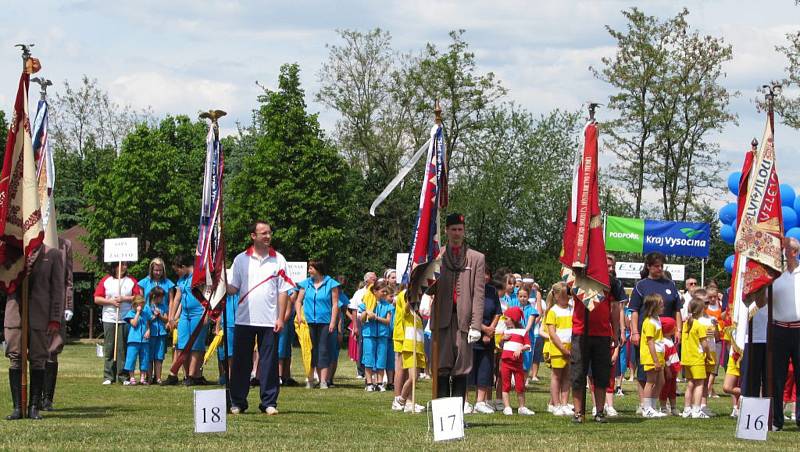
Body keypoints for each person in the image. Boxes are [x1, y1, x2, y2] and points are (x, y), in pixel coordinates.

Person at [227, 220, 291, 415]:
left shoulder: (278, 259)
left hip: (269, 320)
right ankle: (238, 402)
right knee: (241, 363)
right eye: (263, 233)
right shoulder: (240, 259)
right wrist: (219, 280)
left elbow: (283, 291)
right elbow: (233, 289)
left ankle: (269, 402)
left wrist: (280, 318)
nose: (268, 236)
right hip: (244, 319)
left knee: (269, 363)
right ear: (253, 236)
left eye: (269, 232)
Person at [4, 245, 65, 420]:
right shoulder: (10, 252)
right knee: (15, 357)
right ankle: (17, 407)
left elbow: (58, 289)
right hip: (15, 313)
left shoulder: (52, 254)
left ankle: (34, 407)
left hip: (40, 316)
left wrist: (55, 318)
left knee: (38, 359)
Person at [433, 213, 485, 401]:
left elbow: (479, 295)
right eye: (453, 229)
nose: (457, 233)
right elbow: (429, 288)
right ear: (446, 231)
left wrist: (476, 325)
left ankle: (457, 416)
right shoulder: (437, 255)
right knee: (441, 368)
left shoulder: (476, 258)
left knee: (462, 369)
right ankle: (442, 419)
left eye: (460, 230)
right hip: (442, 320)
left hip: (464, 322)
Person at [571, 254, 623, 423]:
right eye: (606, 265)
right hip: (580, 332)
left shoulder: (612, 283)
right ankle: (578, 412)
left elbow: (615, 309)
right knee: (578, 373)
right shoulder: (580, 279)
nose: (609, 268)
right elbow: (567, 289)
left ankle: (599, 412)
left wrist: (616, 333)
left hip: (602, 334)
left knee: (602, 375)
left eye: (611, 266)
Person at [629, 252, 683, 414]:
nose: (660, 269)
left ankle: (654, 405)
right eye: (656, 266)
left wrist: (678, 329)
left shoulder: (670, 284)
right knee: (646, 371)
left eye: (662, 266)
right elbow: (634, 311)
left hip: (666, 336)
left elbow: (677, 309)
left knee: (665, 372)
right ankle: (643, 404)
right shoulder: (641, 285)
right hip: (647, 335)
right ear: (649, 267)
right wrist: (634, 332)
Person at [769, 236, 800, 430]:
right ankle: (777, 420)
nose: (781, 252)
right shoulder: (774, 274)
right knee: (777, 376)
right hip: (778, 329)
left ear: (794, 252)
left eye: (784, 249)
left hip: (799, 329)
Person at [294, 259, 340, 389]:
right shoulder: (305, 284)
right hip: (308, 322)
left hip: (325, 322)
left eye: (311, 268)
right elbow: (298, 301)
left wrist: (333, 322)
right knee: (309, 350)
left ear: (318, 269)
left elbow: (335, 304)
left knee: (323, 350)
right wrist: (298, 315)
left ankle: (323, 381)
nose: (309, 271)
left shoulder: (331, 284)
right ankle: (310, 380)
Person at [164, 254, 209, 386]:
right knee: (181, 344)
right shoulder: (182, 280)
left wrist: (206, 315)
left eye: (177, 270)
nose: (176, 273)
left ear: (183, 267)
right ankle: (175, 375)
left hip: (198, 313)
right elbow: (177, 298)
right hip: (185, 315)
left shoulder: (198, 277)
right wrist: (171, 317)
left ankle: (192, 375)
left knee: (195, 345)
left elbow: (207, 296)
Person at [94, 261, 141, 385]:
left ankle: (123, 376)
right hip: (109, 318)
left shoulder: (131, 281)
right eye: (122, 265)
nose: (124, 267)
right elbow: (97, 298)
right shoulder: (106, 280)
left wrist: (124, 298)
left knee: (123, 348)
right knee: (109, 347)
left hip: (126, 318)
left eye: (125, 265)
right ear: (115, 266)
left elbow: (138, 297)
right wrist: (111, 302)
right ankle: (108, 376)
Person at [41, 237, 73, 411]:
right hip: (36, 302)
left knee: (53, 350)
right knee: (37, 351)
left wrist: (68, 305)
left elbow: (68, 279)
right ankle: (35, 398)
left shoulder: (64, 245)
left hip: (56, 304)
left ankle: (47, 399)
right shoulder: (31, 239)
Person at [468, 268, 501, 414]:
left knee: (485, 368)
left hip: (488, 337)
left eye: (488, 274)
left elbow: (498, 312)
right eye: (482, 274)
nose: (485, 277)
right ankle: (465, 402)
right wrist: (483, 329)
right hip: (471, 334)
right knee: (468, 370)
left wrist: (491, 329)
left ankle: (480, 401)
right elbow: (467, 313)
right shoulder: (469, 290)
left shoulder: (492, 291)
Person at [137, 257, 175, 383]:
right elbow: (140, 301)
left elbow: (171, 302)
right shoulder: (144, 282)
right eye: (155, 270)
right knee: (148, 352)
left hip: (162, 321)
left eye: (160, 270)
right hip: (149, 322)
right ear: (151, 270)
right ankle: (148, 376)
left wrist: (170, 319)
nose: (158, 273)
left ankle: (158, 377)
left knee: (159, 353)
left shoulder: (168, 283)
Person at [393, 282, 427, 413]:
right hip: (409, 346)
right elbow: (405, 309)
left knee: (415, 377)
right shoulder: (408, 312)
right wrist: (410, 299)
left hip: (417, 348)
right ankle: (400, 400)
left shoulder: (417, 316)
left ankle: (405, 401)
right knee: (412, 377)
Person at [499, 307, 535, 416]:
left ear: (513, 319)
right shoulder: (506, 332)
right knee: (506, 385)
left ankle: (522, 407)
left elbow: (528, 345)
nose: (505, 320)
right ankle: (507, 407)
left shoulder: (522, 332)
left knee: (520, 385)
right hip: (505, 362)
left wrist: (520, 349)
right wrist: (502, 339)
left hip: (518, 363)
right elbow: (500, 345)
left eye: (507, 318)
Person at [359, 281, 394, 391]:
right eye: (382, 291)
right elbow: (362, 320)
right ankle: (369, 383)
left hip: (383, 335)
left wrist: (376, 317)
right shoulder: (366, 303)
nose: (384, 294)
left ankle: (379, 383)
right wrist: (366, 312)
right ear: (375, 291)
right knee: (368, 358)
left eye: (385, 292)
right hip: (369, 334)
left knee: (381, 359)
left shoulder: (388, 306)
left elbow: (388, 321)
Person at [680, 297, 712, 419]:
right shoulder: (699, 325)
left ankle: (686, 409)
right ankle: (697, 409)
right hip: (697, 358)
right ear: (701, 310)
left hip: (687, 358)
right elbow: (704, 344)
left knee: (690, 384)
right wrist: (708, 356)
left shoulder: (686, 324)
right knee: (699, 384)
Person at [545, 281, 573, 416]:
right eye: (563, 296)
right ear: (556, 296)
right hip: (558, 348)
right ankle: (555, 404)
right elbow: (552, 333)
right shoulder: (553, 311)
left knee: (567, 376)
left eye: (568, 296)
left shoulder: (572, 308)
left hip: (571, 347)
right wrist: (562, 349)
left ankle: (564, 403)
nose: (567, 298)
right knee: (556, 376)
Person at [639, 294, 667, 419]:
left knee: (661, 381)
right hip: (651, 356)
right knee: (650, 381)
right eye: (660, 304)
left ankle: (653, 406)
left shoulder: (657, 320)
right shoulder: (649, 322)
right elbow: (650, 342)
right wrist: (655, 360)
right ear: (653, 306)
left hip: (659, 354)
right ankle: (646, 408)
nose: (663, 306)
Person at [350, 272, 377, 379]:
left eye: (375, 278)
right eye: (372, 278)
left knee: (373, 345)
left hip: (374, 320)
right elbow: (354, 309)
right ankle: (361, 370)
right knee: (361, 345)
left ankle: (373, 370)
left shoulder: (377, 291)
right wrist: (355, 327)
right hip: (361, 321)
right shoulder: (359, 293)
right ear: (366, 280)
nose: (375, 279)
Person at [122, 295, 151, 385]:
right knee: (131, 359)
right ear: (134, 305)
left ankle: (142, 378)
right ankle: (132, 377)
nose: (141, 307)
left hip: (144, 340)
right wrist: (138, 313)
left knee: (144, 359)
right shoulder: (130, 313)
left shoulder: (145, 313)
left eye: (142, 306)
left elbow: (148, 324)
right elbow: (134, 324)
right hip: (133, 340)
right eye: (139, 305)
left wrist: (148, 331)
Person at [143, 287, 168, 384]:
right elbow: (145, 320)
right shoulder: (147, 307)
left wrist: (160, 315)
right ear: (154, 296)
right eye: (160, 297)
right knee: (149, 357)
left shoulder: (163, 306)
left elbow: (166, 319)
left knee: (159, 357)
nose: (162, 299)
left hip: (161, 334)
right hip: (150, 334)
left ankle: (158, 378)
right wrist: (153, 316)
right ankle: (149, 378)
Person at [657, 317, 679, 416]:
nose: (675, 328)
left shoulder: (669, 339)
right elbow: (665, 358)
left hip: (674, 369)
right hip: (669, 370)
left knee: (672, 389)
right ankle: (663, 407)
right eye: (673, 327)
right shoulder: (664, 342)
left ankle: (673, 407)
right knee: (665, 388)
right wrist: (668, 370)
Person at [217, 292, 238, 385]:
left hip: (241, 322)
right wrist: (217, 326)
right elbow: (220, 308)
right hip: (227, 323)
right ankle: (230, 378)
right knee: (229, 354)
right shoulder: (225, 288)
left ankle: (239, 377)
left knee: (240, 353)